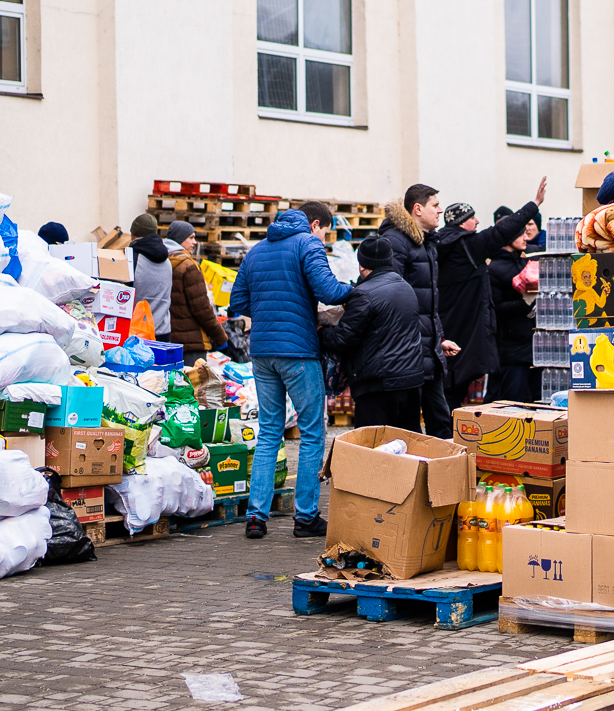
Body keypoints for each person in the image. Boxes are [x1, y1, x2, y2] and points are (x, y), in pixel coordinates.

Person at [233, 200, 352, 539]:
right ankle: (306, 516)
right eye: (326, 232)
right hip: (299, 350)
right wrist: (357, 291)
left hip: (262, 352)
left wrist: (270, 306)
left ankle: (256, 517)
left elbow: (238, 302)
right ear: (315, 225)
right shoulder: (307, 243)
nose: (325, 239)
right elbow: (329, 291)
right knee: (313, 432)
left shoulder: (256, 250)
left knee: (269, 432)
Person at [435, 184, 546, 402]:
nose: (477, 222)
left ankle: (448, 429)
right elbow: (501, 231)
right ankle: (448, 432)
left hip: (447, 322)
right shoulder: (467, 246)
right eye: (472, 217)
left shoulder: (438, 245)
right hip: (469, 329)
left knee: (450, 387)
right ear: (461, 222)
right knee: (457, 391)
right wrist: (534, 204)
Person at [318, 237, 430, 430]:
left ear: (361, 265)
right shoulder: (406, 288)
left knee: (373, 449)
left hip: (378, 385)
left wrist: (321, 331)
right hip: (411, 381)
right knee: (407, 447)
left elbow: (342, 339)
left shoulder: (364, 294)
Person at [379, 184, 458, 438]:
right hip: (407, 352)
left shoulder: (427, 243)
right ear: (417, 209)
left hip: (428, 348)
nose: (440, 211)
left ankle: (444, 472)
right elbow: (392, 296)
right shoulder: (396, 241)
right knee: (409, 427)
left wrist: (439, 338)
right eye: (435, 205)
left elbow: (428, 301)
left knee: (441, 420)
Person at [486, 208, 539, 404]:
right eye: (520, 233)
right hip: (511, 349)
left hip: (536, 344)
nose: (526, 236)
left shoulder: (530, 257)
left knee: (536, 400)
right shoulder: (494, 269)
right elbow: (496, 309)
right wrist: (523, 302)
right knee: (511, 401)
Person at [160, 219, 228, 357]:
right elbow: (202, 308)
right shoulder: (188, 266)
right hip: (191, 343)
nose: (194, 242)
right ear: (179, 239)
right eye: (191, 238)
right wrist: (220, 337)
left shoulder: (160, 262)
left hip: (167, 340)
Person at [128, 213, 174, 336]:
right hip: (163, 331)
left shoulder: (133, 259)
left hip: (137, 333)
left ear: (133, 233)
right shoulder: (167, 260)